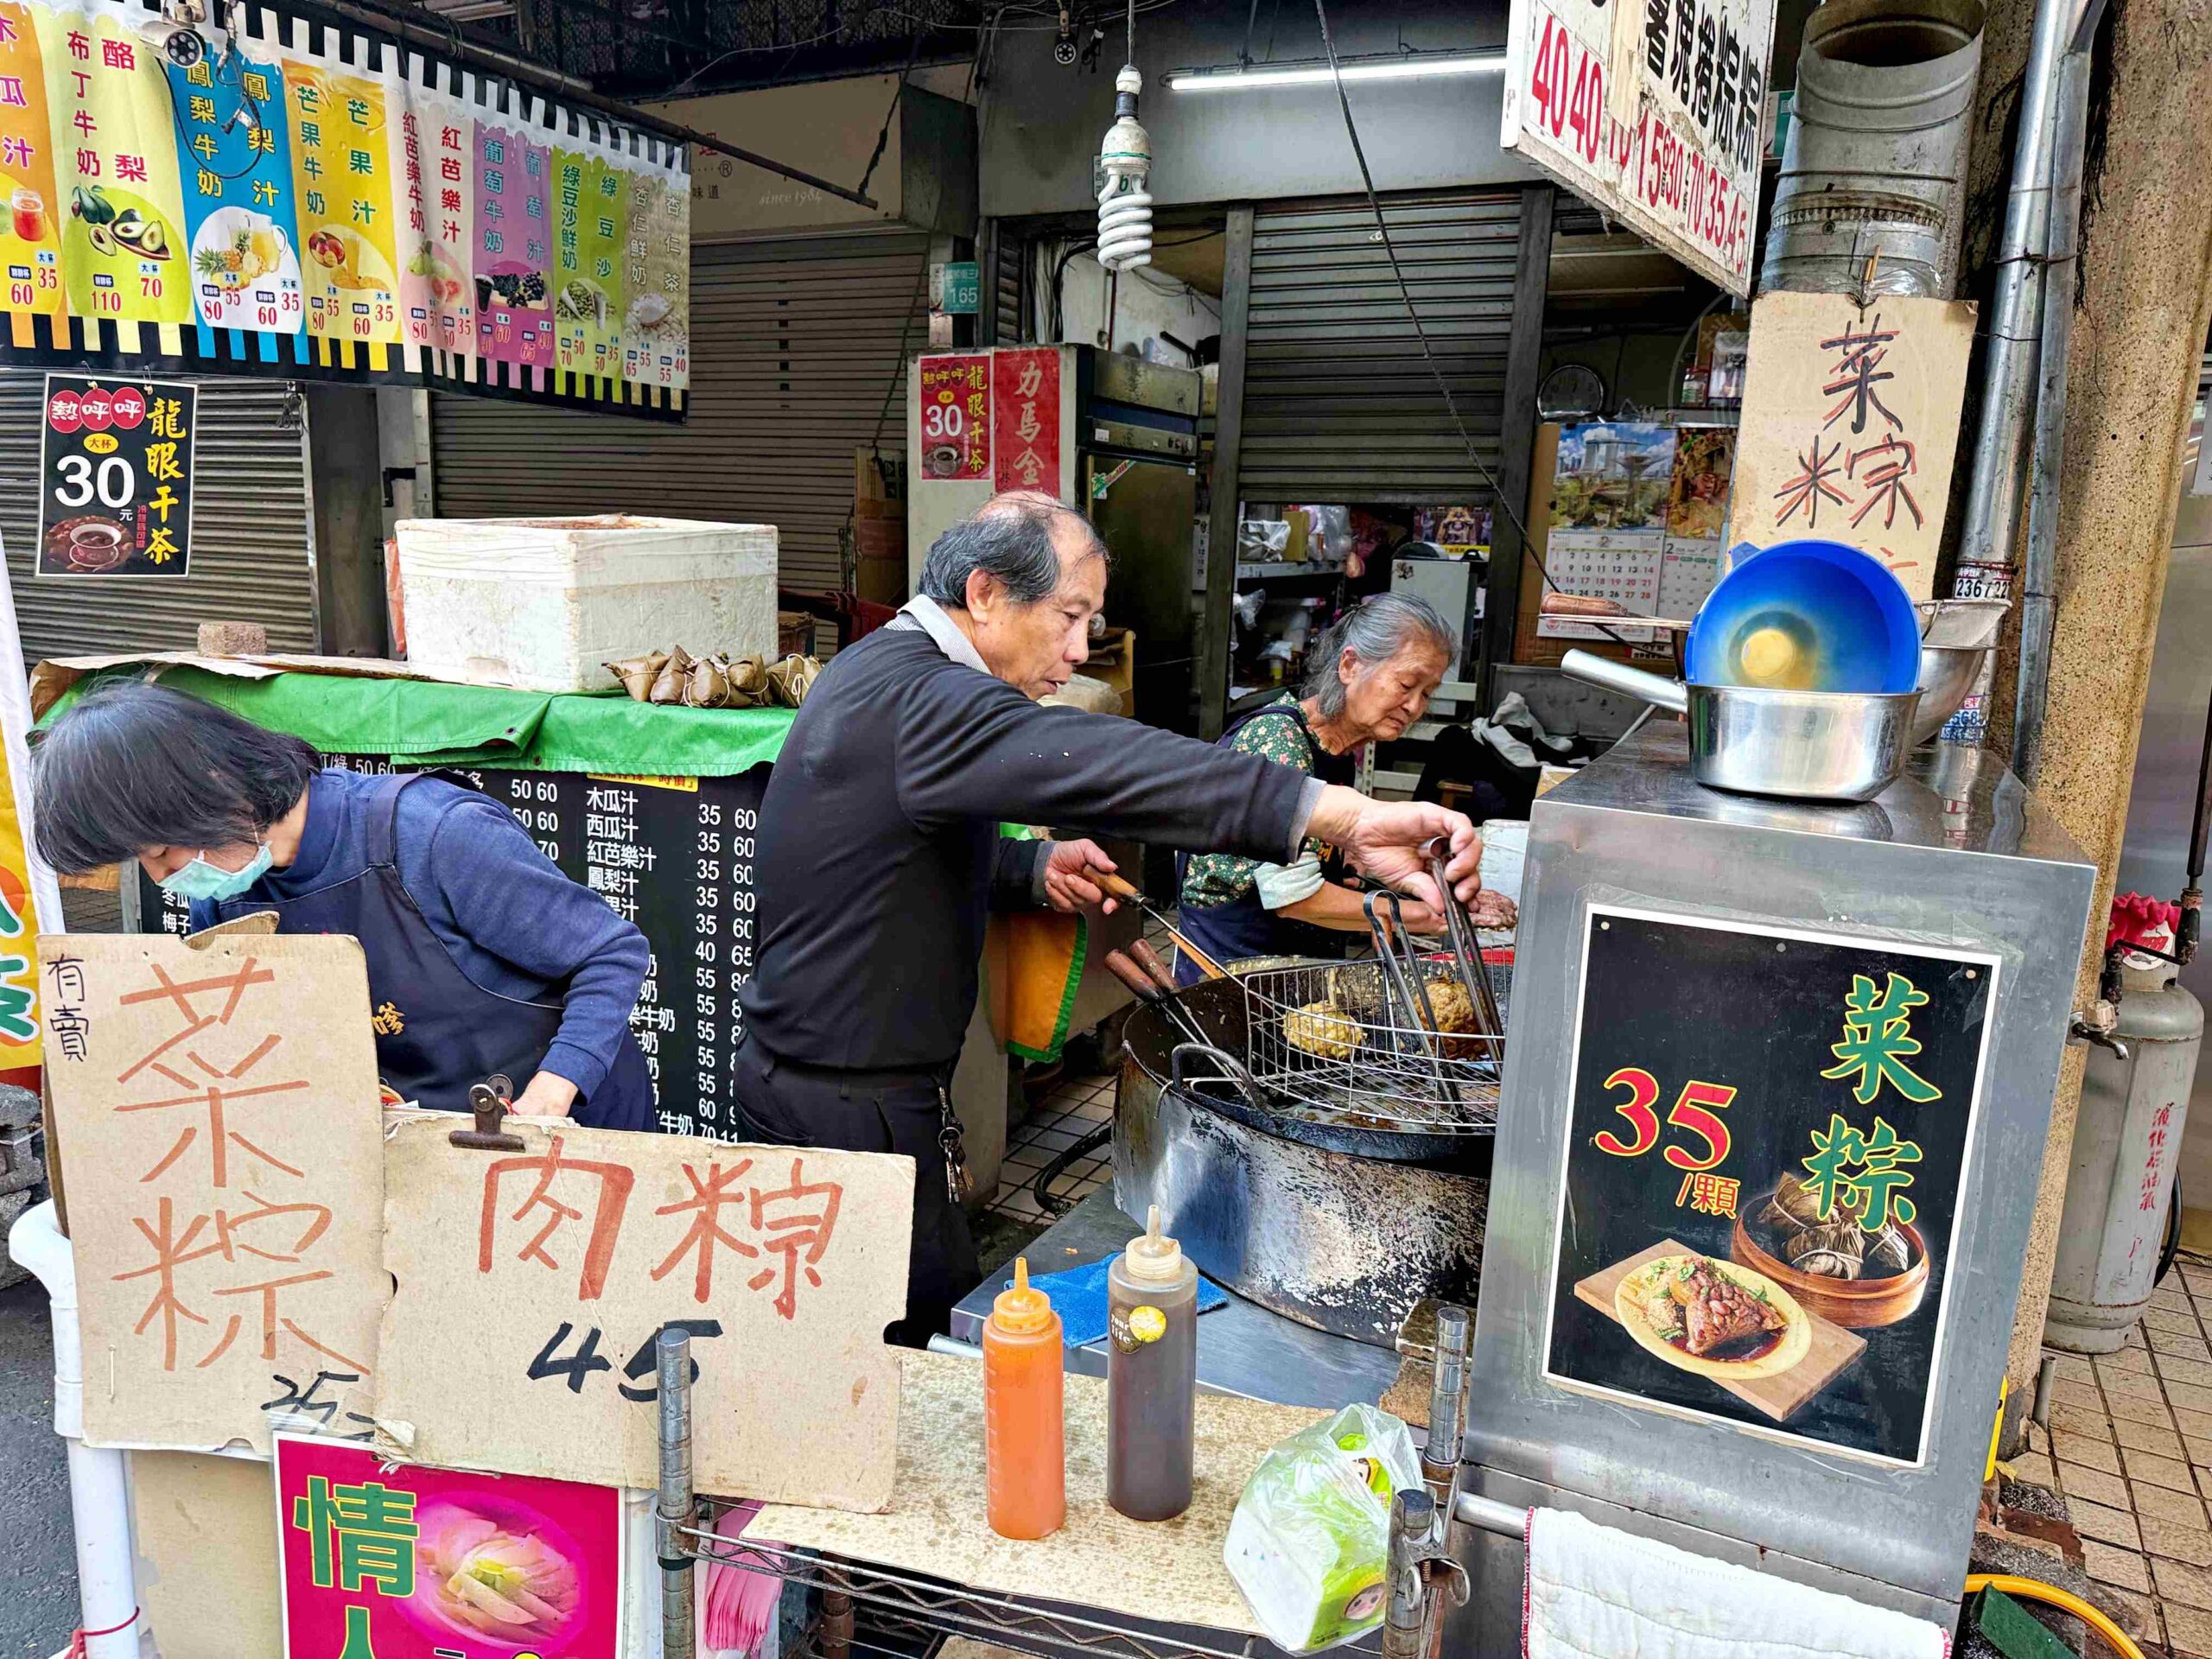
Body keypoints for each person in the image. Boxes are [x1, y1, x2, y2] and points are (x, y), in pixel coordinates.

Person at [733, 490, 1494, 1344]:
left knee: (909, 1338)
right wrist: (1339, 815)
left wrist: (1030, 866)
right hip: (845, 1109)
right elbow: (1101, 763)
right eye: (1069, 617)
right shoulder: (918, 693)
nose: (1078, 650)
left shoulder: (889, 674)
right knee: (899, 1363)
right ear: (985, 593)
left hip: (844, 1087)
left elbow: (885, 845)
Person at [31, 683, 653, 1128]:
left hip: (559, 1124)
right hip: (412, 1142)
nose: (164, 878)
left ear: (212, 790)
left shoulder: (433, 833)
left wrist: (552, 1093)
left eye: (161, 851)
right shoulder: (224, 893)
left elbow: (610, 953)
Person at [1175, 593, 1516, 983]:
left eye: (1426, 693)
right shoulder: (1278, 739)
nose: (1414, 706)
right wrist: (1425, 915)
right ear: (1350, 665)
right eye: (1406, 684)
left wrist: (1359, 868)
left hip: (1289, 965)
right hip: (1231, 975)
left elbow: (1305, 851)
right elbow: (1291, 896)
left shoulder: (1335, 752)